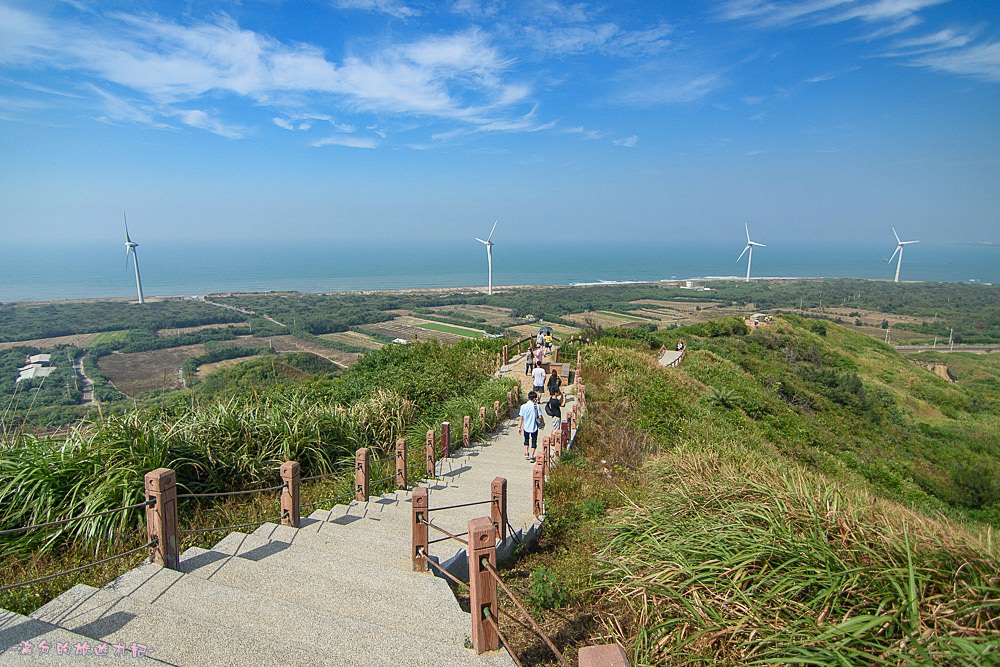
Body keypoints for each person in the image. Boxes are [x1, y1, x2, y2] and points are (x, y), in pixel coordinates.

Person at [518, 391, 544, 461]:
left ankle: (526, 453)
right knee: (534, 441)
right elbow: (540, 417)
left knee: (526, 440)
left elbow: (521, 418)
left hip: (526, 427)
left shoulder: (523, 406)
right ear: (535, 398)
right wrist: (542, 422)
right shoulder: (536, 406)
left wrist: (519, 427)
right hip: (534, 427)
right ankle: (532, 456)